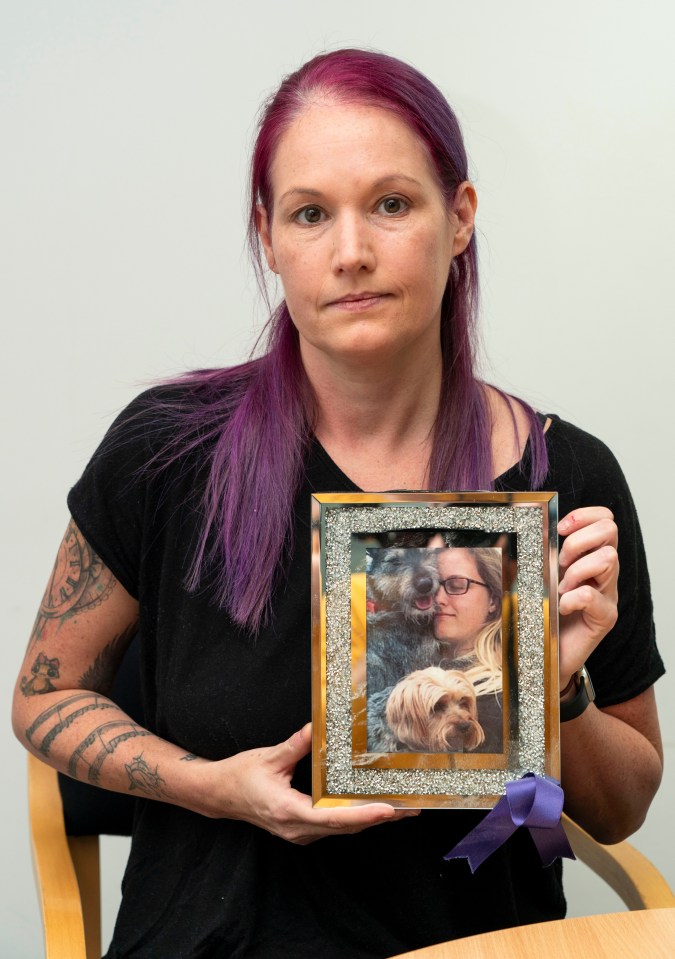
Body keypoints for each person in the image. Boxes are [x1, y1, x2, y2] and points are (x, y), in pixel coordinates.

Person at [12, 48, 664, 958]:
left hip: (483, 945)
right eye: (310, 214)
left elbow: (619, 806)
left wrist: (553, 689)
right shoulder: (166, 452)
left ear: (461, 217)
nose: (350, 252)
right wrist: (212, 786)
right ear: (269, 237)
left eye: (391, 204)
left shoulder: (567, 476)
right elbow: (43, 698)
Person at [433, 547, 504, 752]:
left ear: (493, 600)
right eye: (430, 587)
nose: (438, 599)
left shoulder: (495, 700)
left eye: (456, 586)